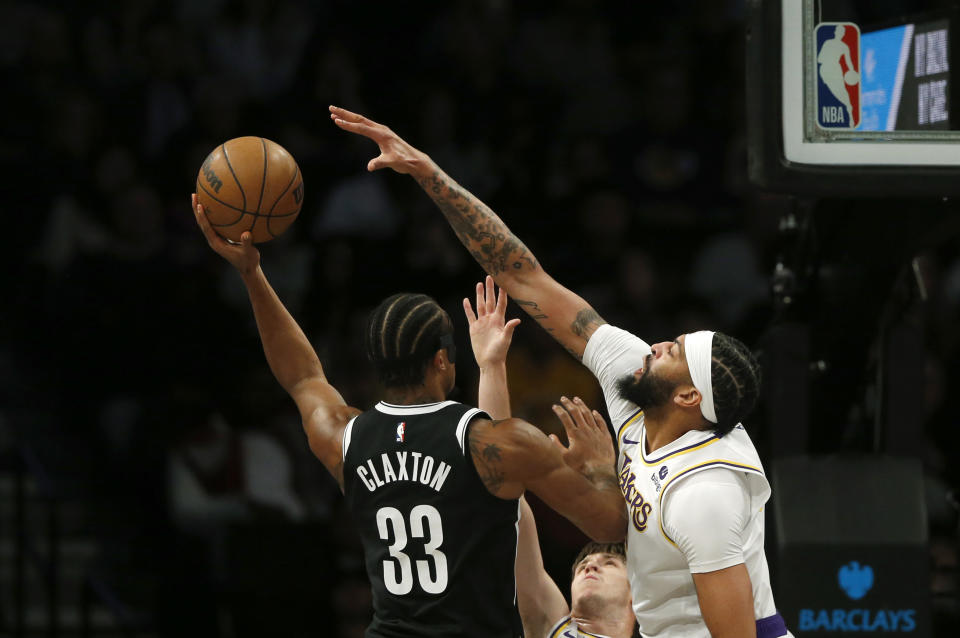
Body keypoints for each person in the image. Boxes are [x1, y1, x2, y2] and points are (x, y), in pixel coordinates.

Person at [330, 106, 793, 638]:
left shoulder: (705, 493)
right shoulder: (634, 373)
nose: (658, 343)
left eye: (673, 351)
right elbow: (521, 275)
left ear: (688, 397)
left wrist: (605, 475)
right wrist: (429, 175)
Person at [190, 194, 625, 637]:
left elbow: (301, 376)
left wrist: (251, 274)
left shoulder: (346, 438)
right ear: (442, 361)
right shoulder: (496, 444)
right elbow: (609, 523)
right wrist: (599, 470)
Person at [465, 275, 635, 638]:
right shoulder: (549, 624)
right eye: (585, 564)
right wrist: (491, 366)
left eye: (607, 562)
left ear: (639, 595)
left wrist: (606, 472)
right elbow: (506, 500)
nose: (590, 566)